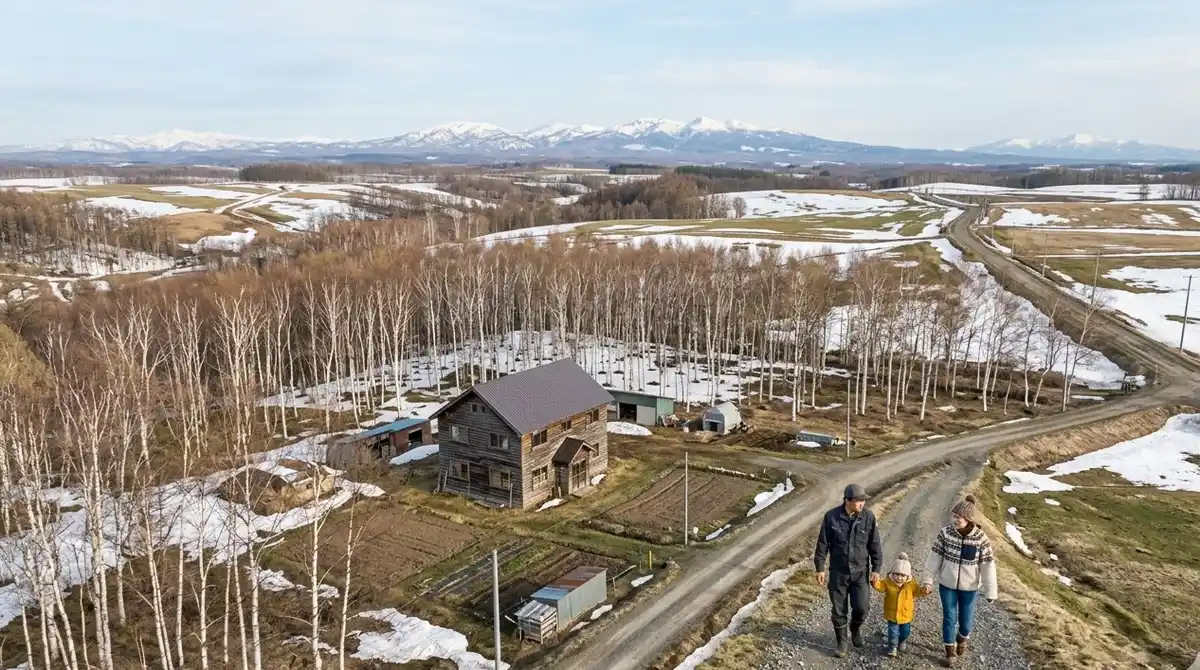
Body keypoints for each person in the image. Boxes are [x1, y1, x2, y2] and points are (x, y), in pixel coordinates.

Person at [922, 494, 998, 667]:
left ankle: (962, 638)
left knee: (966, 622)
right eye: (954, 516)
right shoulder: (945, 533)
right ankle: (950, 653)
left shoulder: (980, 538)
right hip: (947, 585)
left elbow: (987, 566)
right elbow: (934, 558)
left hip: (970, 588)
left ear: (968, 519)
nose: (955, 520)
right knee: (949, 617)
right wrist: (927, 580)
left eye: (959, 517)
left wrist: (990, 591)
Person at [814, 483, 883, 658]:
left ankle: (855, 628)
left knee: (862, 608)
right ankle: (842, 642)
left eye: (863, 501)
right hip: (839, 572)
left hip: (860, 572)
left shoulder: (868, 517)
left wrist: (876, 568)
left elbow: (875, 544)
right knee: (838, 610)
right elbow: (823, 544)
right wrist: (820, 568)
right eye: (859, 501)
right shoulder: (831, 517)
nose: (862, 504)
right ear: (847, 500)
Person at [870, 552, 933, 657]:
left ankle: (902, 641)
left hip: (905, 614)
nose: (899, 578)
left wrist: (925, 590)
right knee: (892, 632)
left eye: (903, 575)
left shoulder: (911, 584)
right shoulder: (888, 582)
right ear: (892, 573)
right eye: (897, 574)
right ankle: (892, 647)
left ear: (907, 576)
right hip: (892, 614)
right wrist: (874, 582)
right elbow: (880, 586)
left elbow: (918, 591)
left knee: (905, 632)